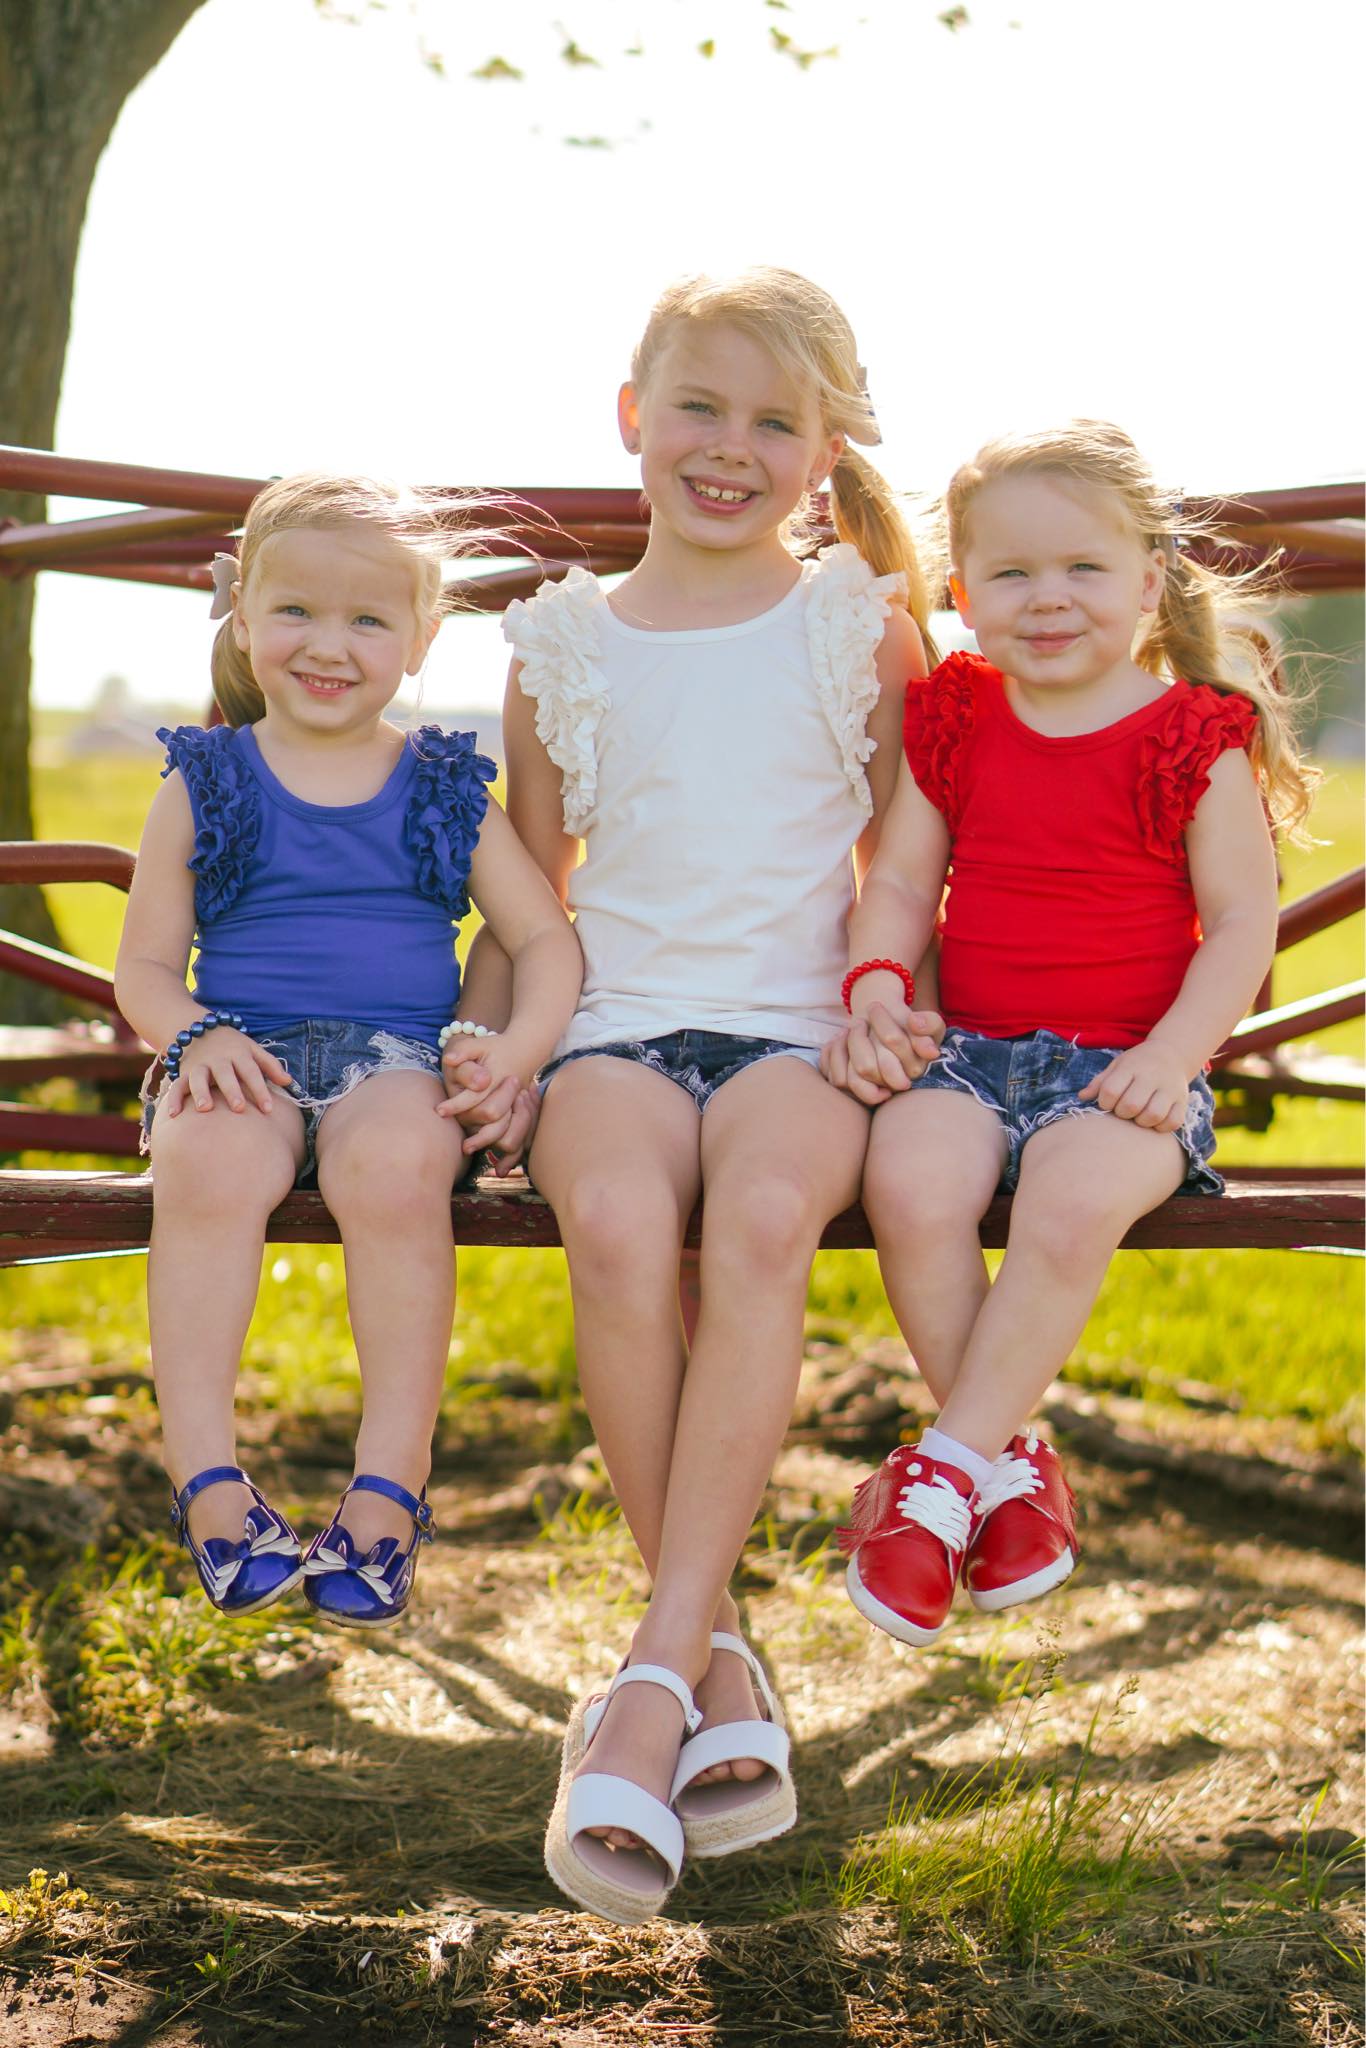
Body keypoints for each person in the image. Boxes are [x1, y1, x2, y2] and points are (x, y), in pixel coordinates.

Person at [455, 266, 942, 1922]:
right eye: (699, 408)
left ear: (823, 451)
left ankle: (654, 1666)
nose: (728, 449)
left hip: (800, 1031)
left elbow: (908, 855)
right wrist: (501, 1044)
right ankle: (713, 1653)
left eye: (772, 422)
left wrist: (898, 1002)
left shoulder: (853, 620)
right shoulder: (562, 638)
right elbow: (531, 882)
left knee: (752, 1218)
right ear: (631, 419)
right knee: (609, 1206)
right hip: (612, 1023)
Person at [825, 420, 1314, 1649]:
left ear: (1146, 580)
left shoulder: (1190, 735)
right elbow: (899, 881)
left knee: (1064, 1194)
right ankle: (1003, 1465)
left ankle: (933, 1480)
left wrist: (1171, 1056)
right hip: (971, 1050)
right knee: (908, 1176)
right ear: (961, 593)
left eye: (1082, 570)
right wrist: (880, 979)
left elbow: (1240, 928)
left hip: (1131, 1066)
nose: (1047, 600)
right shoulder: (956, 716)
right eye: (1011, 574)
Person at [114, 474, 581, 1631]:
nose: (329, 645)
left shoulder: (438, 786)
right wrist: (194, 1037)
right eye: (296, 613)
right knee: (209, 1164)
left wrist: (512, 1052)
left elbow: (541, 939)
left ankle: (387, 1486)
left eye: (368, 620)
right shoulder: (206, 777)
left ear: (421, 640)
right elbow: (144, 973)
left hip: (393, 1057)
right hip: (240, 1049)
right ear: (245, 618)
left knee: (398, 1165)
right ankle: (210, 1484)